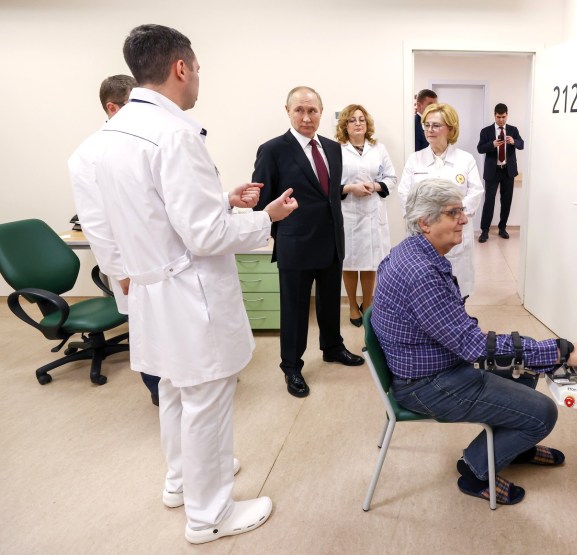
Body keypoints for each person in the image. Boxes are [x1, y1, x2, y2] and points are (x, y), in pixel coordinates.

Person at [86, 24, 298, 543]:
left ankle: (181, 480)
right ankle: (210, 516)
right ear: (180, 67)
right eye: (197, 68)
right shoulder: (175, 133)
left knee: (175, 390)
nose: (199, 77)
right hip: (189, 292)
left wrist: (221, 199)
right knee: (206, 399)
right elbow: (205, 235)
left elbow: (152, 212)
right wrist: (266, 218)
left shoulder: (111, 135)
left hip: (152, 290)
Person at [372, 178, 577, 505]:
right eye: (453, 213)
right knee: (544, 413)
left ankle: (513, 447)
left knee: (525, 371)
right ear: (425, 223)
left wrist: (540, 354)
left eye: (462, 211)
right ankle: (475, 470)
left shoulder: (410, 251)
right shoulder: (422, 274)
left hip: (429, 367)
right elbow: (474, 347)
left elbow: (458, 331)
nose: (464, 220)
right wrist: (560, 351)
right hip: (427, 384)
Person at [253, 86, 365, 400]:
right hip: (296, 245)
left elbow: (329, 194)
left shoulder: (333, 148)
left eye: (312, 110)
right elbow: (262, 203)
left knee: (330, 302)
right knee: (295, 310)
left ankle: (332, 347)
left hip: (331, 241)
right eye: (299, 110)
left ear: (321, 112)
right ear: (288, 111)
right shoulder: (273, 150)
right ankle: (291, 365)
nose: (306, 117)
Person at [68, 74, 161, 405]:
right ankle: (158, 391)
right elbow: (95, 222)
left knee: (171, 328)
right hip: (131, 264)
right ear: (112, 108)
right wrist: (119, 271)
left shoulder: (144, 141)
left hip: (161, 257)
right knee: (148, 333)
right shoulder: (88, 154)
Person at [398, 103, 483, 298]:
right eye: (426, 125)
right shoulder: (415, 160)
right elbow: (404, 194)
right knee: (424, 290)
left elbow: (476, 192)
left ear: (450, 129)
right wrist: (425, 219)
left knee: (457, 290)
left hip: (454, 234)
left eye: (436, 125)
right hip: (423, 234)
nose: (430, 130)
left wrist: (451, 215)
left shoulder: (465, 159)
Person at [334, 104, 396, 327]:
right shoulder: (337, 150)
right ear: (345, 125)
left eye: (361, 119)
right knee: (350, 263)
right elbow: (329, 184)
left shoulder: (378, 148)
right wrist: (351, 188)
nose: (358, 123)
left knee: (371, 263)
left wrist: (375, 185)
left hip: (372, 212)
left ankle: (368, 304)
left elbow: (391, 178)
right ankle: (352, 305)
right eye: (352, 120)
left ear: (367, 123)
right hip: (349, 215)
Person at [477, 103, 525, 242]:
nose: (501, 120)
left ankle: (502, 228)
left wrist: (514, 141)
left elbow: (522, 144)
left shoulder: (513, 130)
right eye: (498, 117)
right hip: (492, 171)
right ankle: (484, 231)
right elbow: (480, 148)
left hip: (508, 172)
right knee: (489, 201)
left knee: (506, 201)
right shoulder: (486, 131)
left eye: (503, 117)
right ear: (494, 115)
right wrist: (492, 144)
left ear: (507, 115)